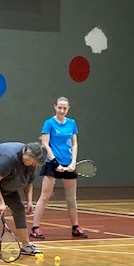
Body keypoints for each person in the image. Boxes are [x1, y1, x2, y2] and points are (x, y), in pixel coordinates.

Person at [0, 142, 47, 259]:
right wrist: (0, 202)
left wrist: (29, 201)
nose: (34, 164)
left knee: (19, 208)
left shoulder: (31, 165)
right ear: (27, 154)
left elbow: (28, 183)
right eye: (33, 161)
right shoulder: (9, 157)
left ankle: (26, 245)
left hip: (5, 179)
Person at [30, 97, 88, 239]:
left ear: (68, 109)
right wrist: (55, 163)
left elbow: (74, 143)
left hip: (68, 163)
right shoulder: (49, 123)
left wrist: (73, 162)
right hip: (52, 163)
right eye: (59, 107)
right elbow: (45, 144)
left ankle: (75, 227)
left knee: (71, 198)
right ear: (55, 107)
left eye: (64, 108)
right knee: (45, 196)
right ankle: (35, 228)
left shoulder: (72, 123)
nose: (62, 110)